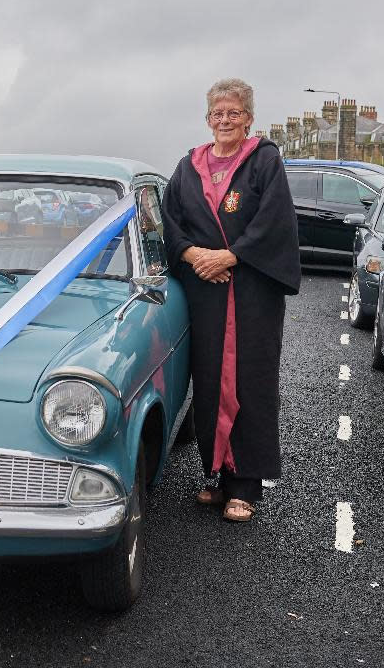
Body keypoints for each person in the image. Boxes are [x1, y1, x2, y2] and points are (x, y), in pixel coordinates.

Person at [161, 78, 301, 522]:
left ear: (248, 119)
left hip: (252, 292)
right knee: (209, 380)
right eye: (218, 114)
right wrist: (191, 254)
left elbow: (274, 221)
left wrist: (232, 255)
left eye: (234, 113)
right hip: (206, 291)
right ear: (208, 119)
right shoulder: (189, 165)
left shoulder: (264, 160)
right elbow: (171, 219)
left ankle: (245, 486)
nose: (225, 120)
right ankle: (217, 473)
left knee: (249, 382)